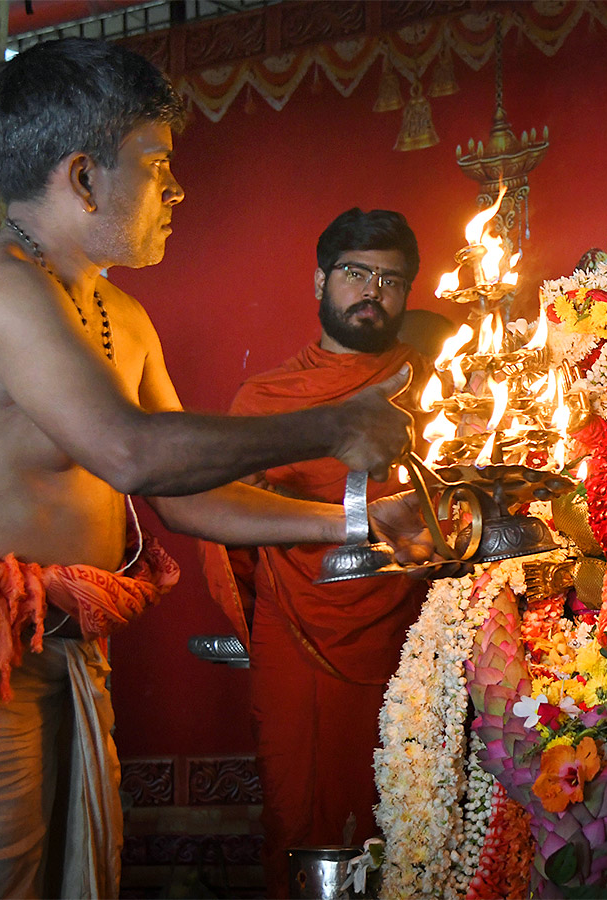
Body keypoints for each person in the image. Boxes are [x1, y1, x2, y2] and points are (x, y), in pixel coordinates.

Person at [0, 39, 432, 900]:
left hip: (64, 648)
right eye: (157, 165)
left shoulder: (120, 315)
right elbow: (130, 452)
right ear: (83, 177)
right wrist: (333, 426)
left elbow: (186, 494)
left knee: (75, 878)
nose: (175, 191)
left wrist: (361, 522)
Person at [199, 208, 435, 898]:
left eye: (392, 279)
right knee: (302, 822)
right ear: (320, 279)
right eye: (357, 272)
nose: (374, 290)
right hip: (300, 633)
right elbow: (229, 529)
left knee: (409, 816)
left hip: (415, 635)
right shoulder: (268, 399)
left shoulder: (437, 386)